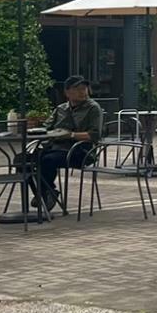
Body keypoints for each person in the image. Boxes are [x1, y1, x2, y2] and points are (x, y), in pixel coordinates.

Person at [35, 76, 102, 212]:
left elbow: (94, 135)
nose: (83, 92)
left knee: (47, 160)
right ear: (67, 93)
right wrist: (34, 128)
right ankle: (46, 192)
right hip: (56, 148)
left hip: (81, 151)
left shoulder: (93, 108)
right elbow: (46, 127)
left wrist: (71, 135)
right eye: (78, 89)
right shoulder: (60, 109)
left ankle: (44, 193)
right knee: (24, 160)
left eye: (84, 89)